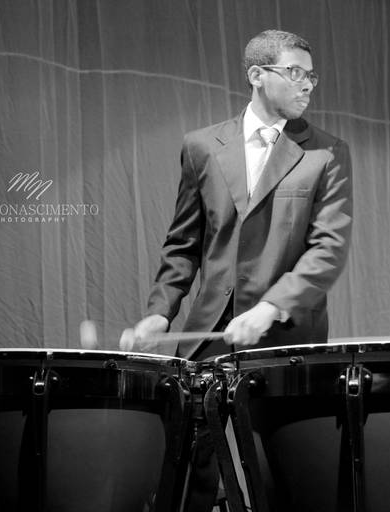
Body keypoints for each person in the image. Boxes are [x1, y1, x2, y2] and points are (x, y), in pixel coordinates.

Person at [129, 29, 352, 361]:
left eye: (311, 76)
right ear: (256, 75)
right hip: (210, 335)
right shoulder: (201, 146)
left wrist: (272, 306)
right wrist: (160, 312)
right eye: (295, 73)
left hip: (287, 340)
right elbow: (183, 245)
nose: (307, 84)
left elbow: (328, 250)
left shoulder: (327, 152)